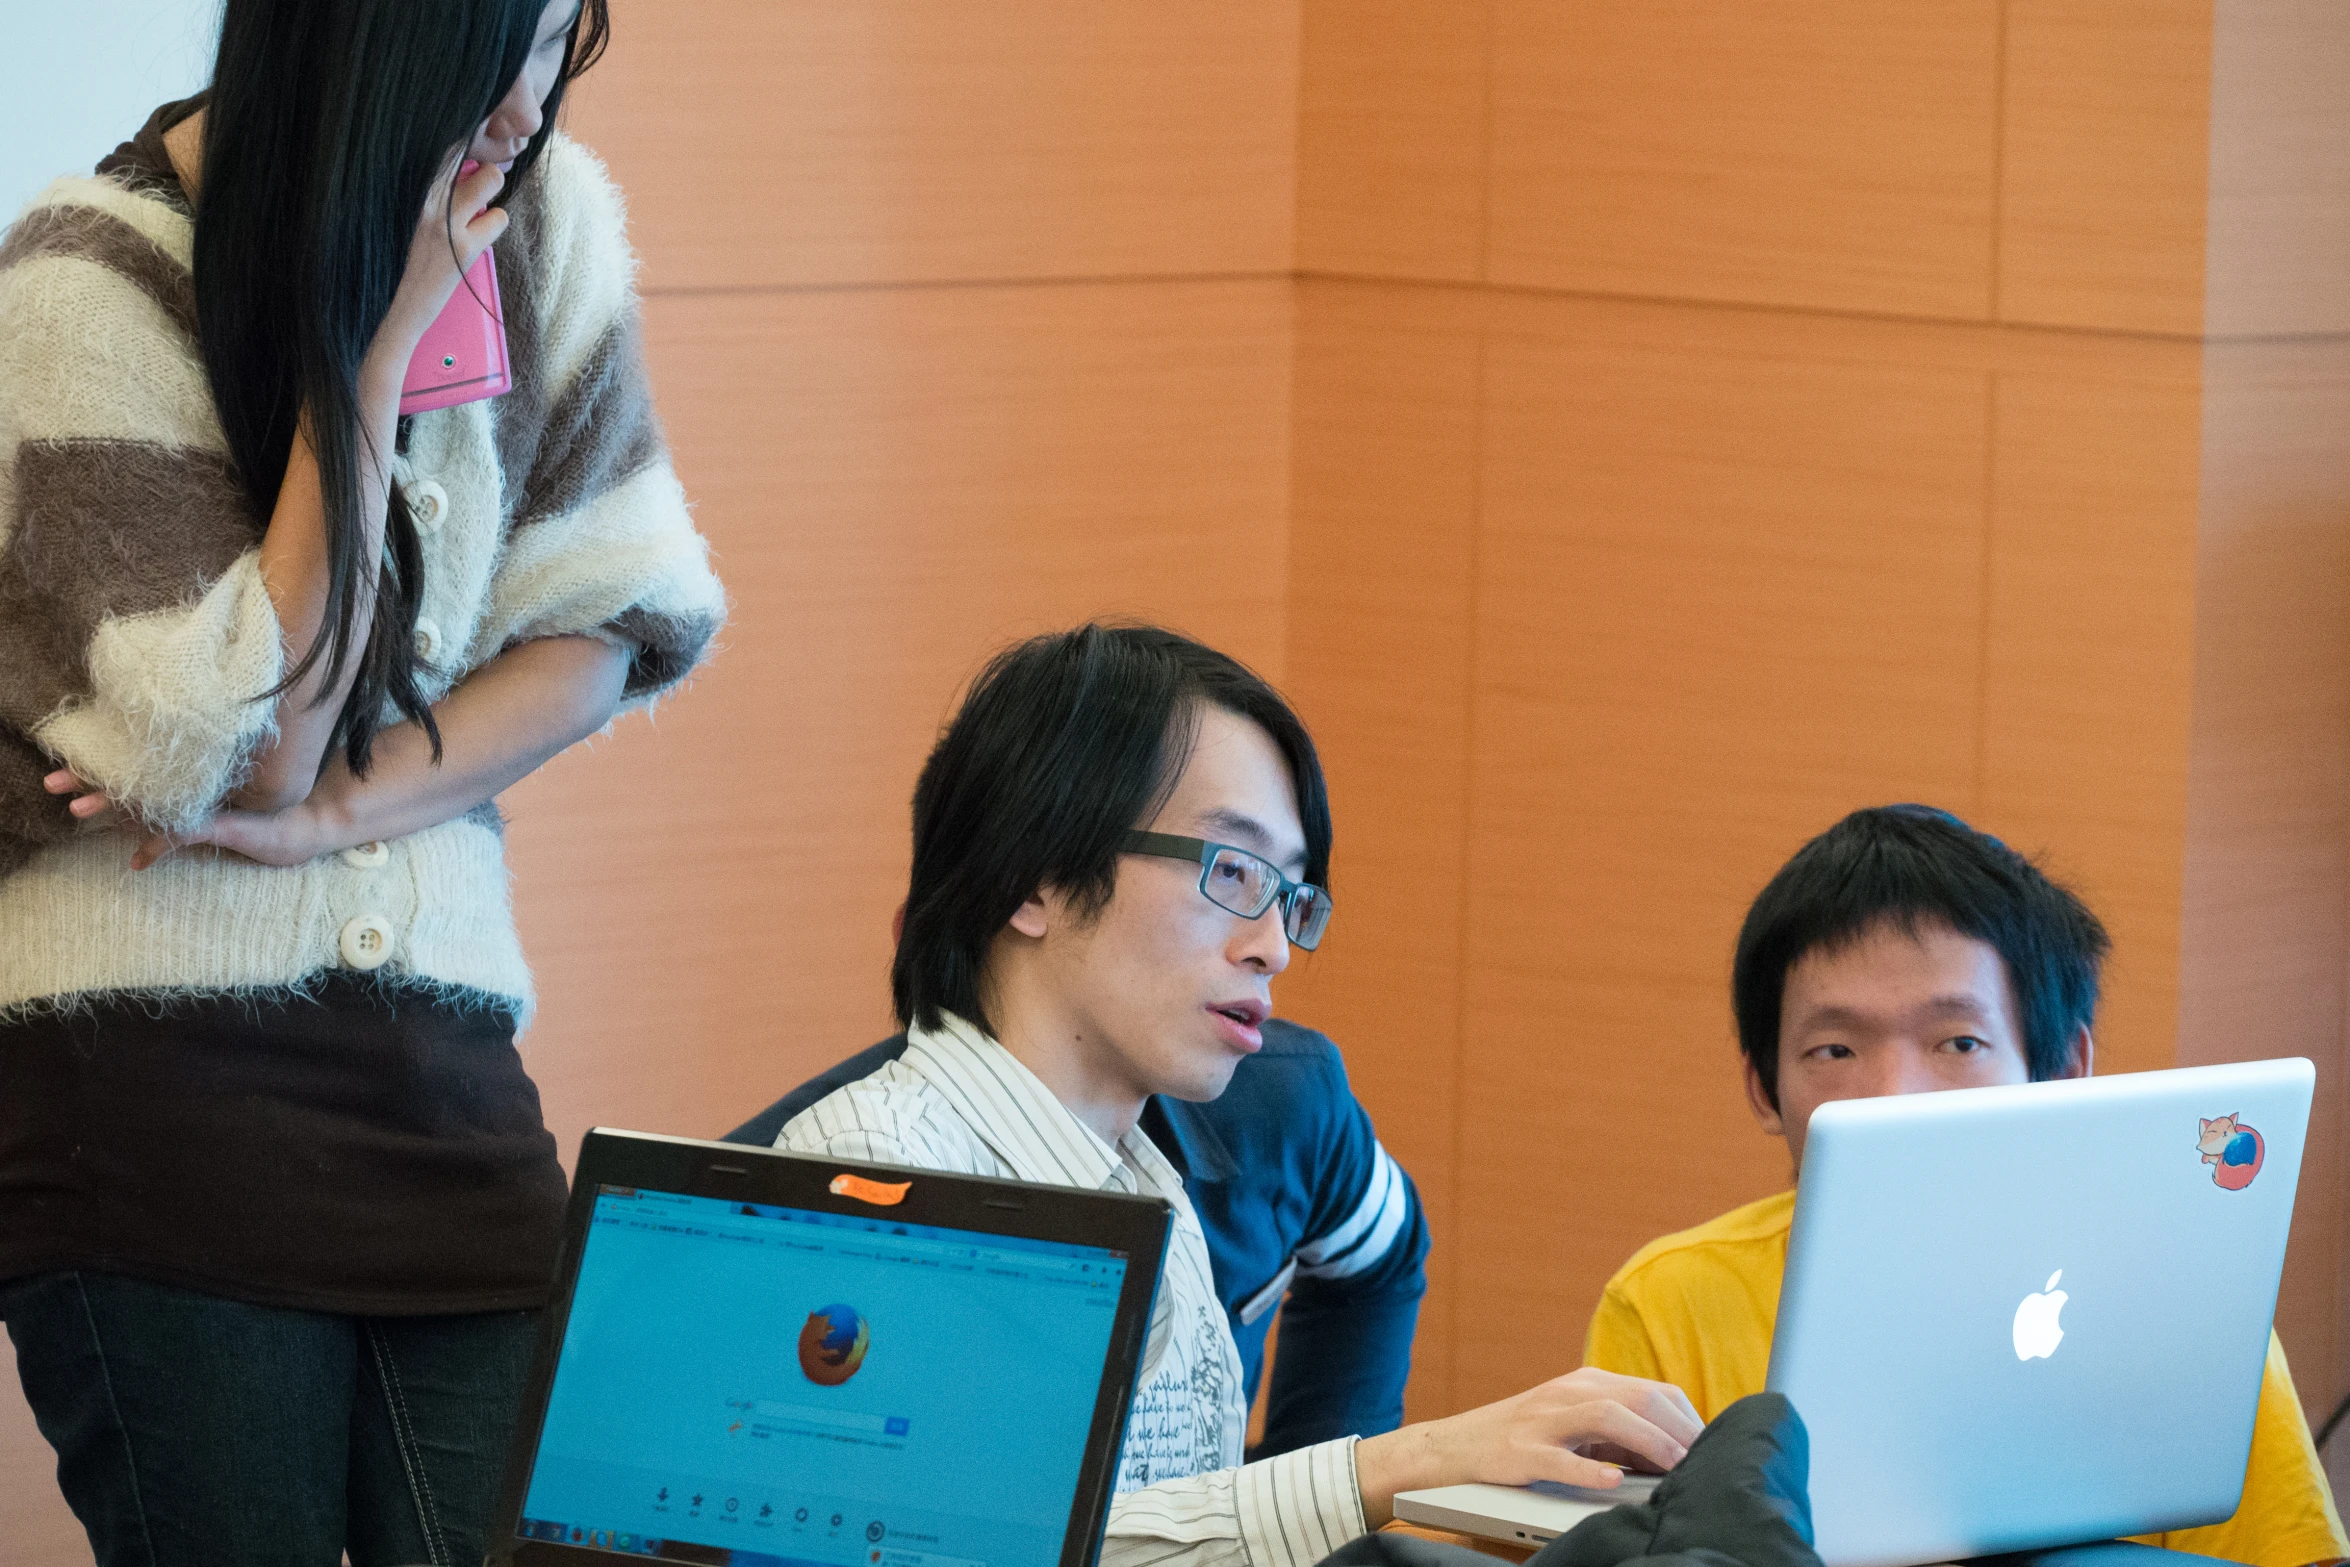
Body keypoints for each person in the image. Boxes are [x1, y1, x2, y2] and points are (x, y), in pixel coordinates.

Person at [0, 2, 725, 1563]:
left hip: (443, 1086)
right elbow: (244, 740)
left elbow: (607, 618)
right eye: (501, 52)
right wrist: (369, 348)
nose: (528, 109)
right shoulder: (83, 275)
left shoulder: (545, 232)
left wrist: (344, 806)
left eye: (557, 48)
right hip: (151, 1084)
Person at [776, 623, 1703, 1567]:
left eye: (1291, 897)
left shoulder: (1143, 1181)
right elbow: (973, 1550)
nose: (1273, 945)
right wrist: (1399, 1464)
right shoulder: (869, 1177)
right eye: (1231, 871)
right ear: (1033, 878)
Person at [1582, 806, 2349, 1567]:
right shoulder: (1669, 1301)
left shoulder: (2184, 1306)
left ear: (2063, 1067)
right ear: (1763, 1088)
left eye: (1959, 1041)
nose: (1894, 1097)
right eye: (1835, 1047)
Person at [731, 1013, 1431, 1459]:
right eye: (1216, 874)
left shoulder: (1283, 1097)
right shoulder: (803, 1186)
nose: (1270, 945)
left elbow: (1384, 1260)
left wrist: (1323, 1511)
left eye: (1284, 887)